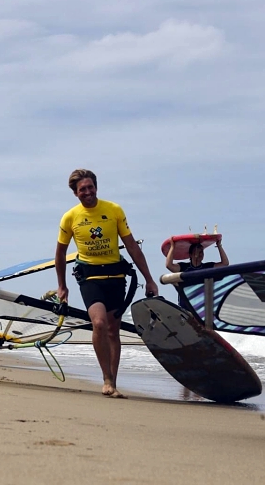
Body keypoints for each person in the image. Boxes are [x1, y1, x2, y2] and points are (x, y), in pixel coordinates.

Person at [55, 169, 157, 399]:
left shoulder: (114, 210)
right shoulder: (70, 217)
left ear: (96, 187)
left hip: (115, 277)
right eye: (83, 189)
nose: (88, 192)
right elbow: (60, 253)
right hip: (90, 277)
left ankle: (114, 381)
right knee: (99, 323)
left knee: (113, 330)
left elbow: (132, 246)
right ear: (75, 193)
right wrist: (62, 285)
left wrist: (149, 279)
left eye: (91, 187)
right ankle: (106, 379)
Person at [164, 237, 229, 312]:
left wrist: (219, 246)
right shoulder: (184, 267)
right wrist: (172, 247)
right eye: (198, 251)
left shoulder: (206, 267)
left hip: (201, 308)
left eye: (202, 251)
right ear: (190, 255)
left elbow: (225, 263)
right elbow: (169, 265)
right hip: (185, 308)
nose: (201, 254)